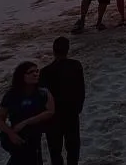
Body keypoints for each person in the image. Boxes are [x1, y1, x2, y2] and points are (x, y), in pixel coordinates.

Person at [0, 61, 55, 165]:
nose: (35, 74)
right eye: (31, 72)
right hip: (17, 138)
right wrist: (11, 133)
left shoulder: (43, 93)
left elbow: (50, 111)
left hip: (34, 138)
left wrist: (26, 122)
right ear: (21, 76)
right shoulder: (11, 95)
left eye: (37, 71)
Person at [40, 37, 85, 165]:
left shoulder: (45, 72)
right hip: (71, 112)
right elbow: (81, 90)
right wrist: (78, 107)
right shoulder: (76, 65)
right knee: (73, 148)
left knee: (55, 151)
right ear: (67, 50)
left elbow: (43, 98)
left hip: (53, 116)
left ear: (53, 51)